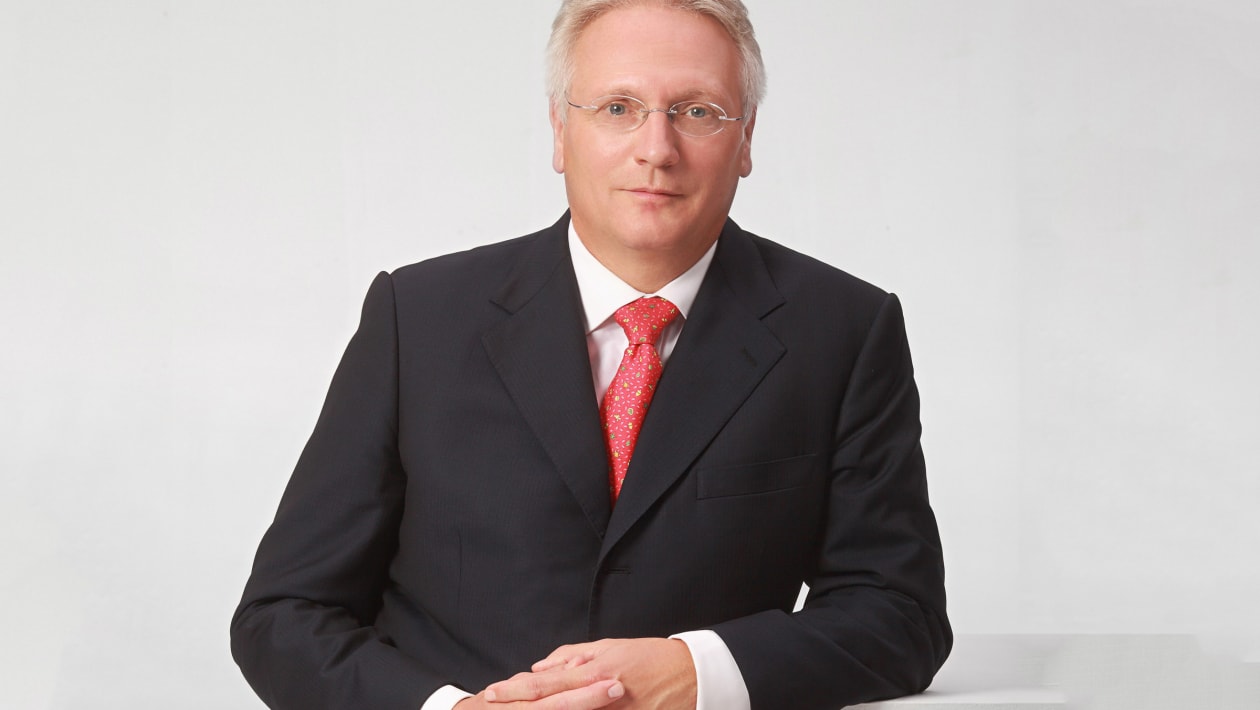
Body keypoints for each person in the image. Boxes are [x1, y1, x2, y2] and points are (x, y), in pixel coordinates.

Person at [230, 1, 951, 708]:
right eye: (618, 108)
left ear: (747, 138)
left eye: (698, 111)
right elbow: (284, 614)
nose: (656, 148)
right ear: (558, 128)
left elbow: (900, 613)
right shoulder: (416, 318)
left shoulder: (844, 331)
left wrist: (693, 672)